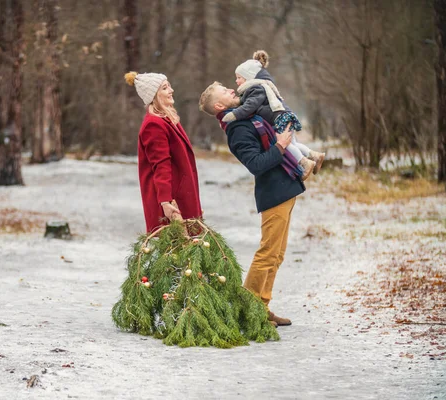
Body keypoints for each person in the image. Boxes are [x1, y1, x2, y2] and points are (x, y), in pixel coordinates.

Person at [198, 81, 305, 327]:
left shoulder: (248, 116)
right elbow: (255, 164)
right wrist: (280, 145)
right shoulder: (237, 129)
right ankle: (248, 311)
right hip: (273, 191)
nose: (232, 90)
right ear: (219, 105)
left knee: (276, 255)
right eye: (226, 92)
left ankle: (262, 306)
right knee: (267, 254)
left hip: (285, 185)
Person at [221, 50, 325, 181]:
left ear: (248, 77)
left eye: (239, 78)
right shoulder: (261, 86)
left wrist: (234, 114)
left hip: (278, 117)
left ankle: (305, 163)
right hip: (283, 114)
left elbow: (250, 106)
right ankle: (314, 155)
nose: (236, 81)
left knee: (285, 144)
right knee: (293, 142)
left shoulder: (255, 89)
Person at [125, 71, 202, 233]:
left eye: (169, 86)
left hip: (181, 192)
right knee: (179, 251)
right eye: (165, 88)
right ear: (154, 95)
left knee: (186, 252)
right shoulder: (154, 125)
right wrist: (166, 202)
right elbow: (161, 165)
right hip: (172, 200)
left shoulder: (167, 119)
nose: (171, 90)